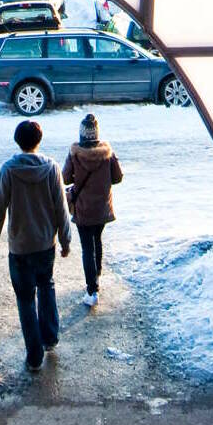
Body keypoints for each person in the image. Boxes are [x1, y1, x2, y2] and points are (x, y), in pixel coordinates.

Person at [0, 118, 73, 371]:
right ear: (39, 141)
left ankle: (34, 357)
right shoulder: (52, 168)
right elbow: (61, 208)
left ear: (17, 141)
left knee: (25, 299)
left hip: (20, 248)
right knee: (46, 286)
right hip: (46, 244)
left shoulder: (8, 170)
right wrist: (66, 241)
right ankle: (51, 337)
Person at [62, 113, 123, 307]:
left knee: (87, 247)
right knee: (97, 241)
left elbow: (64, 179)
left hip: (83, 209)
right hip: (102, 208)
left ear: (81, 134)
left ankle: (92, 290)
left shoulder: (75, 153)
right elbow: (118, 177)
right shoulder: (107, 153)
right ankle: (96, 276)